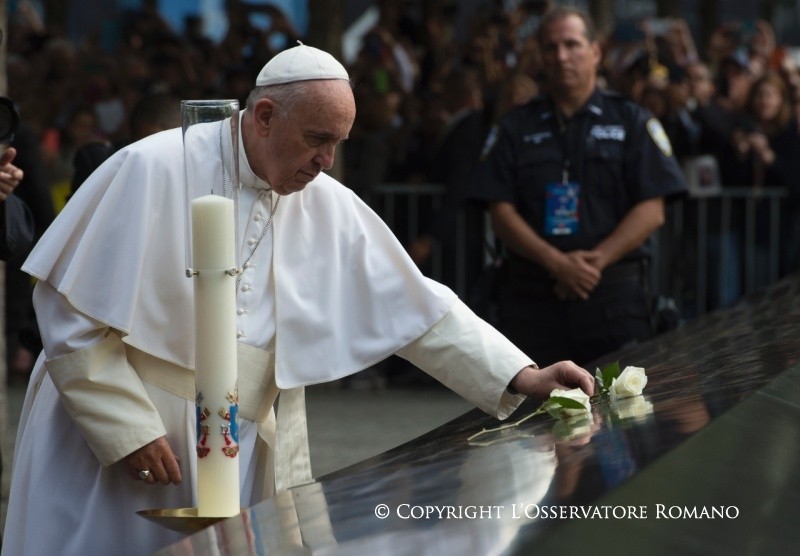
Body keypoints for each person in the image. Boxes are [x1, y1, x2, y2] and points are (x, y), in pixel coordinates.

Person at [3, 44, 595, 555]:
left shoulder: (323, 198)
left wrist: (523, 375)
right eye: (317, 140)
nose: (326, 162)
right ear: (263, 115)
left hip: (234, 445)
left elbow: (417, 308)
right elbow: (68, 311)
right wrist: (127, 428)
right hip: (122, 437)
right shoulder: (150, 165)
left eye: (338, 144)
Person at [470, 7, 686, 368]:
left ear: (595, 51)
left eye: (572, 44)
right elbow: (500, 210)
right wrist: (557, 263)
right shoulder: (515, 126)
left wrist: (593, 263)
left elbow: (653, 208)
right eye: (551, 47)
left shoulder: (631, 121)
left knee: (623, 414)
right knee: (529, 418)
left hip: (613, 300)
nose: (561, 56)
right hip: (533, 301)